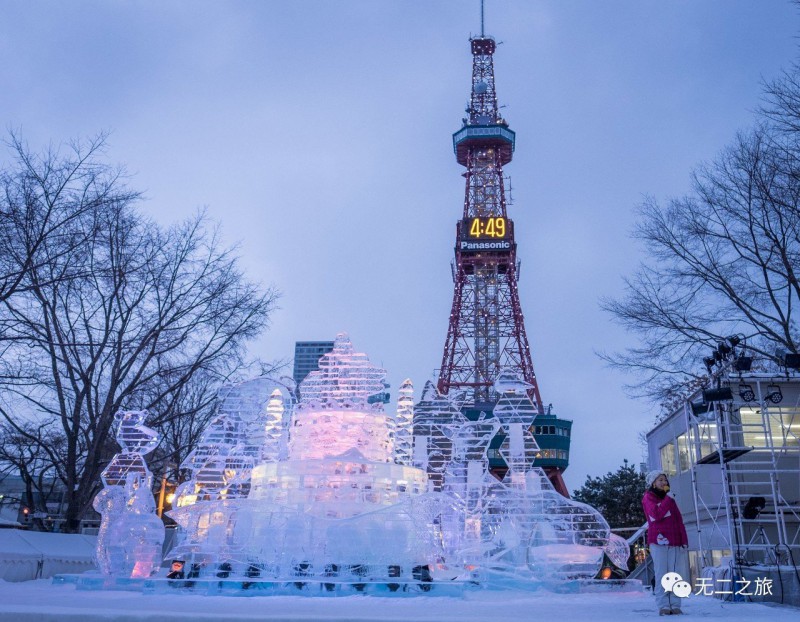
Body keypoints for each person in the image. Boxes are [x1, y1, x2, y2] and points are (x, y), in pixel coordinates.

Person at [643, 470, 689, 616]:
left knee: (675, 574)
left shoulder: (670, 499)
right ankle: (663, 605)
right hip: (658, 540)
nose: (664, 482)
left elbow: (678, 520)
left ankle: (675, 604)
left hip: (675, 541)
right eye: (660, 480)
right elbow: (656, 515)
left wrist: (684, 539)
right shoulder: (648, 497)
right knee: (662, 573)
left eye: (665, 480)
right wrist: (668, 499)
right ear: (653, 483)